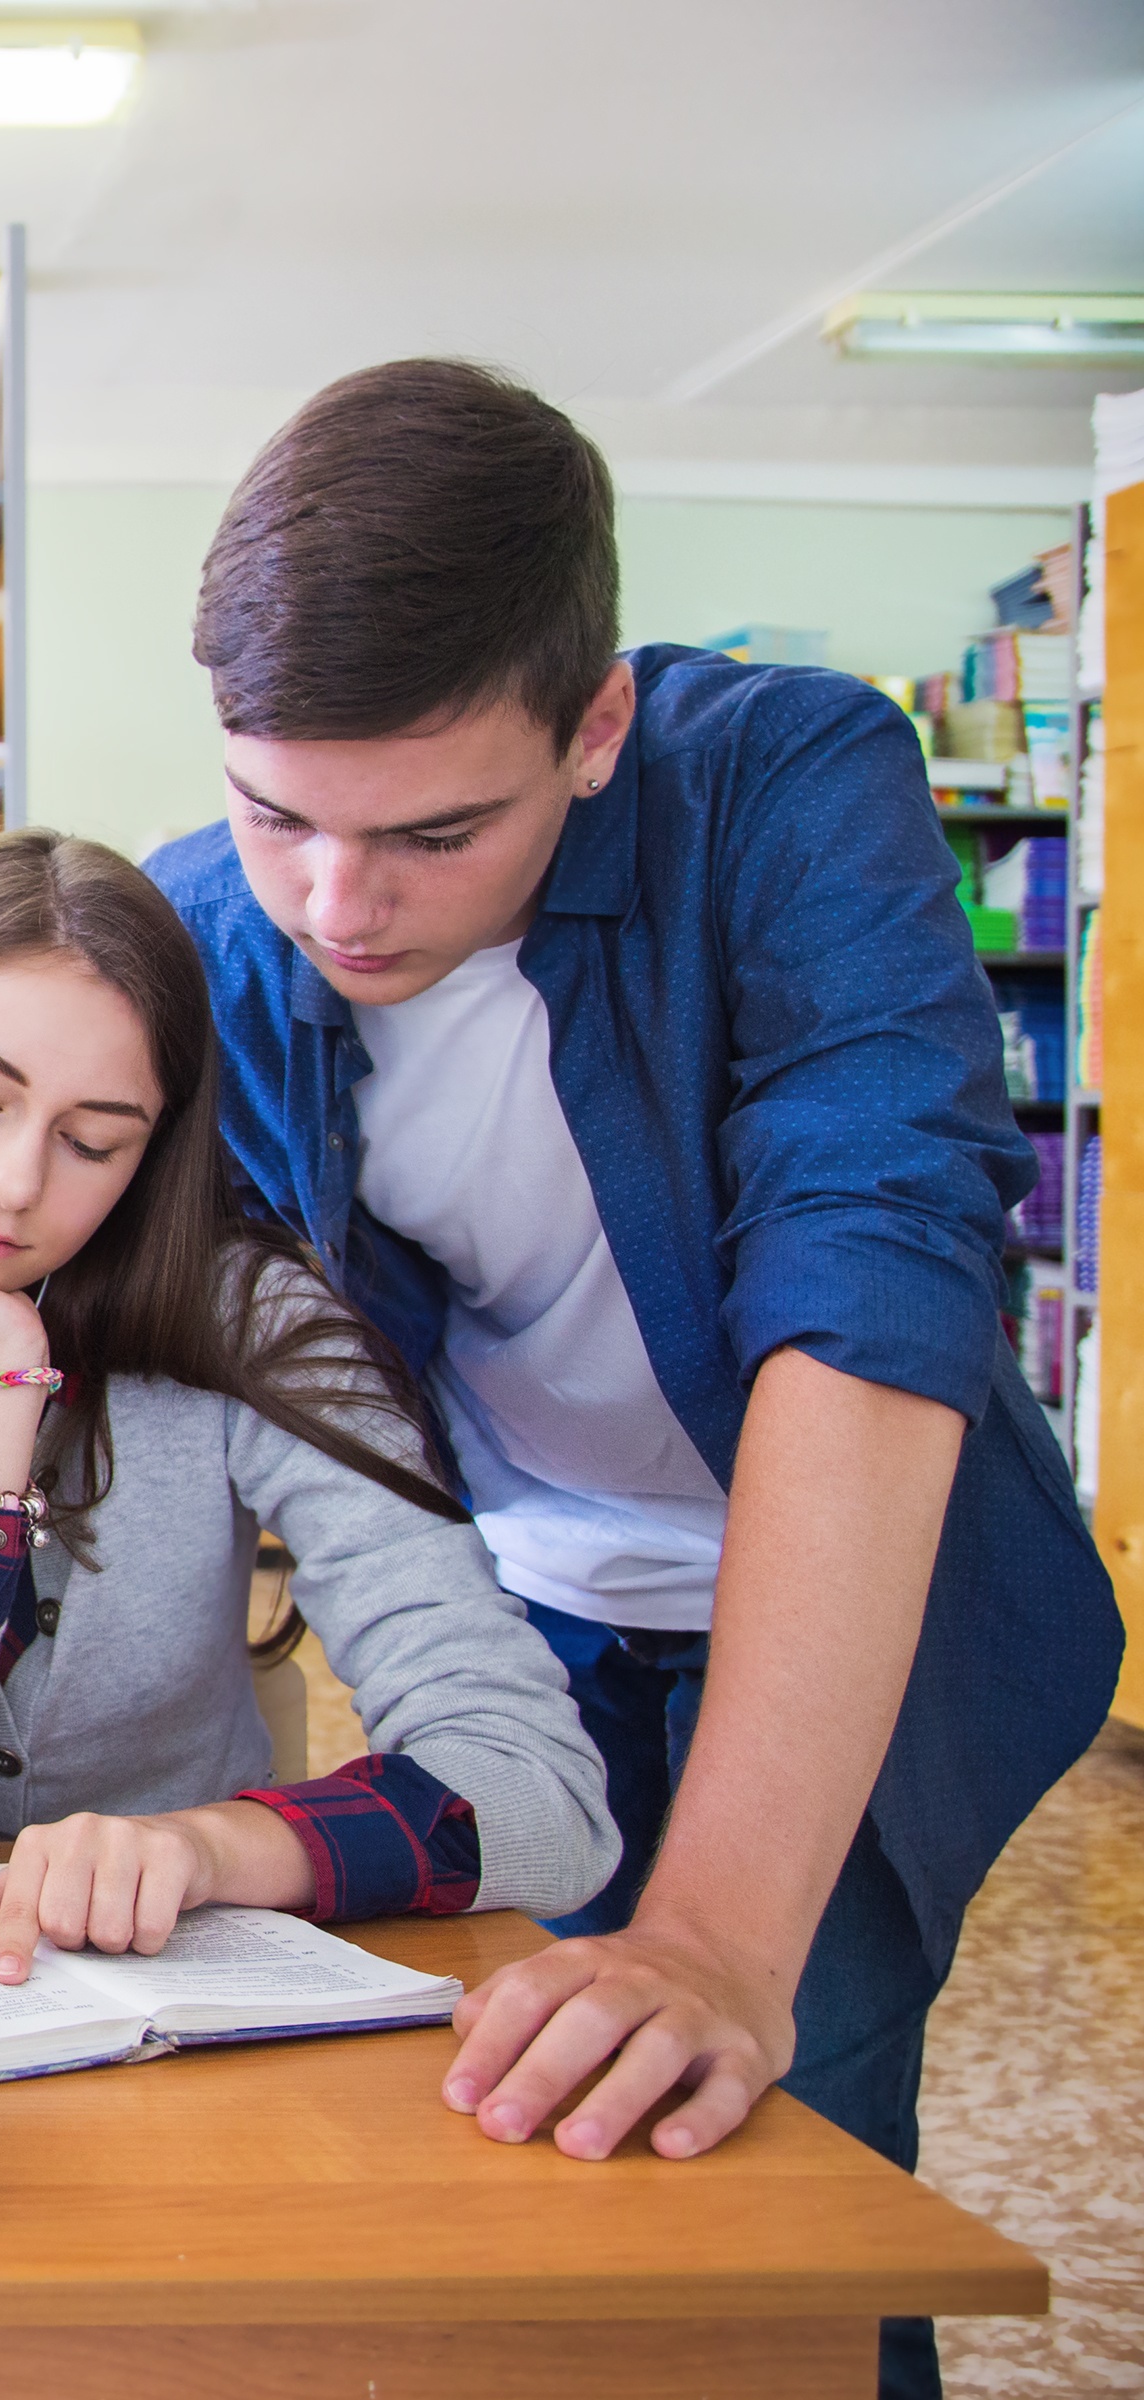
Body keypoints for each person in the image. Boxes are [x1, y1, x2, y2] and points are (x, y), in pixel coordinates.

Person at [146, 361, 1122, 2399]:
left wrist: (719, 1943)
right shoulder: (207, 921)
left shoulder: (785, 784)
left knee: (773, 2173)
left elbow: (878, 1291)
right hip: (515, 1612)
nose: (337, 905)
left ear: (593, 728)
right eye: (276, 815)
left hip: (856, 1594)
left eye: (433, 830)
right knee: (487, 2144)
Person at [0, 830, 612, 1966]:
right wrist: (1, 1388)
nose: (15, 1185)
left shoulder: (252, 1321)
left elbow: (547, 1805)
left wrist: (213, 1848)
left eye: (94, 1143)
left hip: (190, 1995)